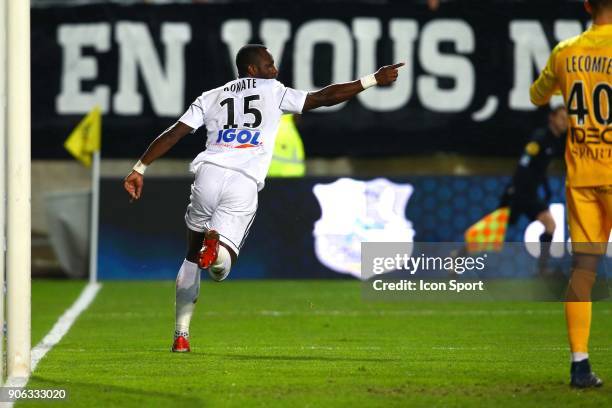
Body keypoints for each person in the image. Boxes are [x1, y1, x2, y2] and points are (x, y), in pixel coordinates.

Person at [123, 44, 403, 353]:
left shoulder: (211, 96)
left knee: (190, 255)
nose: (275, 69)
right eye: (269, 65)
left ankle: (181, 335)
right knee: (221, 269)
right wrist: (372, 80)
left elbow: (175, 133)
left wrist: (140, 167)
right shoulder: (274, 91)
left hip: (208, 173)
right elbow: (324, 97)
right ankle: (215, 252)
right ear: (252, 70)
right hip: (242, 181)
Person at [530, 0, 612, 389]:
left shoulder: (566, 52)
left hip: (582, 179)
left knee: (583, 272)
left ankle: (580, 364)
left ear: (586, 5)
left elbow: (536, 94)